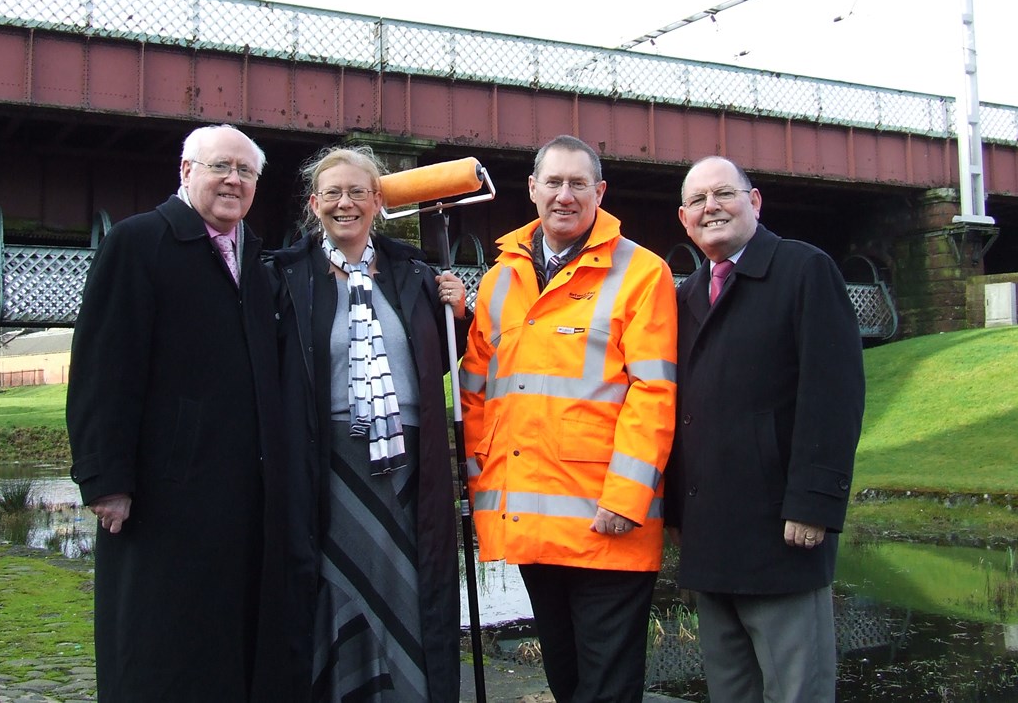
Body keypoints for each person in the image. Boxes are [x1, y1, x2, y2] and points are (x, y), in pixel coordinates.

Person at [459, 134, 678, 703]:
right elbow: (477, 393)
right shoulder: (499, 280)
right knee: (565, 678)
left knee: (607, 687)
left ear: (599, 192)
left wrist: (626, 499)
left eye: (578, 183)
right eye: (552, 182)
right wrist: (485, 486)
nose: (564, 195)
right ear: (531, 189)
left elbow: (653, 392)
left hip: (606, 521)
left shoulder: (641, 272)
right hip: (531, 521)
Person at [65, 124, 278, 702]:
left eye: (245, 172)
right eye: (220, 167)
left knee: (224, 642)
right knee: (159, 644)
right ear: (186, 172)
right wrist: (106, 479)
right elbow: (101, 368)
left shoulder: (256, 259)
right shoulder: (139, 243)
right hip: (165, 491)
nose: (233, 180)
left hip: (239, 491)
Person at [259, 144, 465, 702]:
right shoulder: (286, 278)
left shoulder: (415, 274)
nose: (344, 203)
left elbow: (441, 358)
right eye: (332, 193)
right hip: (329, 460)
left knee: (410, 581)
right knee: (336, 581)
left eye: (357, 192)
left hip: (408, 462)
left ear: (378, 201)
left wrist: (460, 313)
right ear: (313, 204)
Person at [665, 155, 865, 703]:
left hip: (782, 533)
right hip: (710, 539)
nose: (712, 208)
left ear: (754, 202)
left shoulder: (805, 271)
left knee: (796, 691)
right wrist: (677, 512)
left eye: (724, 194)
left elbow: (834, 395)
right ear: (684, 220)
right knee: (731, 691)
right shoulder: (684, 297)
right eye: (699, 201)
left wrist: (814, 503)